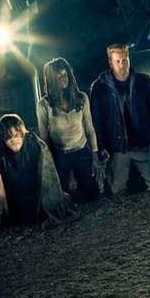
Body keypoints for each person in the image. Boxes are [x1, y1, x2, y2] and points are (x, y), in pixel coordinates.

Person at [90, 44, 150, 203]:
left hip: (143, 144)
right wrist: (101, 147)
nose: (122, 65)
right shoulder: (100, 87)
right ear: (110, 62)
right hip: (119, 147)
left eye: (125, 60)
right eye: (118, 61)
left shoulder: (143, 81)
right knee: (117, 191)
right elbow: (97, 120)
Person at [0, 114, 77, 231]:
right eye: (9, 137)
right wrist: (2, 212)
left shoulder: (35, 144)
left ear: (23, 134)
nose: (14, 140)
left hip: (33, 193)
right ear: (2, 138)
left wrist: (51, 203)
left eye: (17, 136)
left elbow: (48, 177)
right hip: (12, 195)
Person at [37, 58, 99, 203]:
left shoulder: (81, 98)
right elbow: (44, 137)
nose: (63, 79)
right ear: (51, 80)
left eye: (65, 75)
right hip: (60, 153)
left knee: (92, 195)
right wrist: (50, 163)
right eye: (58, 77)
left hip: (81, 149)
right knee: (60, 196)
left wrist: (95, 156)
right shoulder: (44, 105)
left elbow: (90, 128)